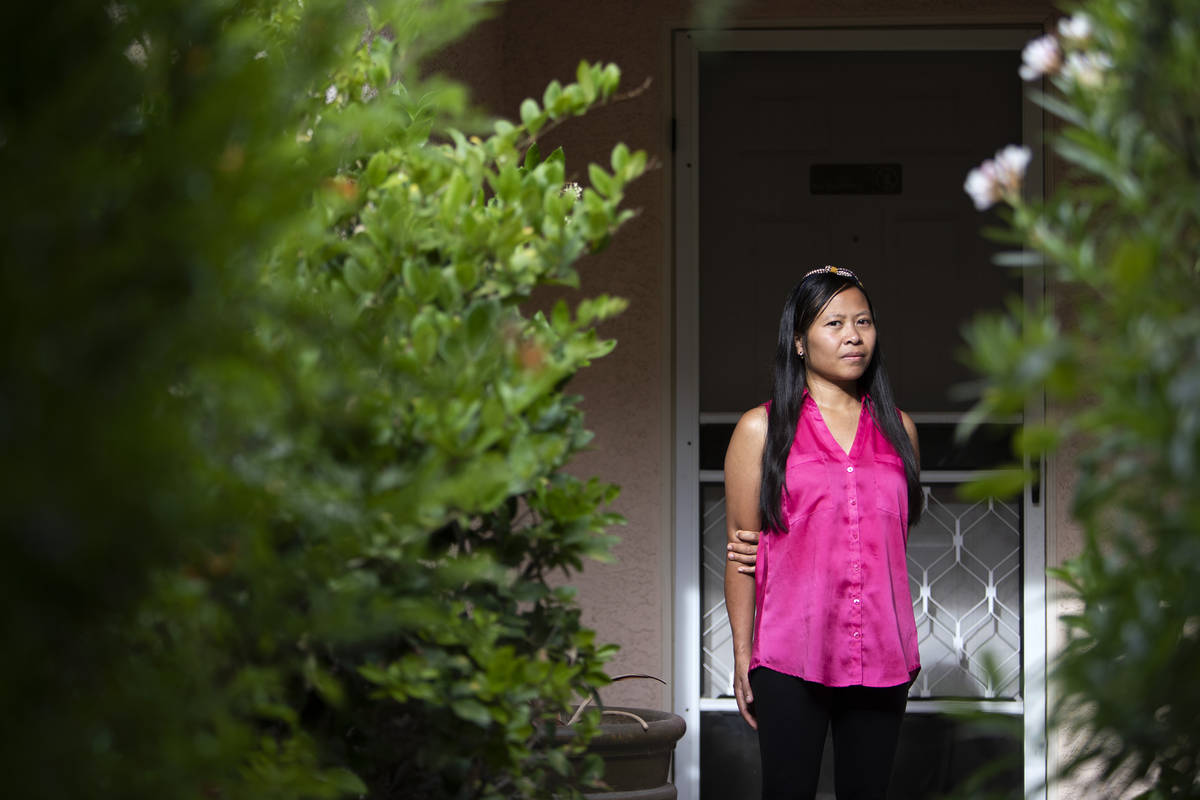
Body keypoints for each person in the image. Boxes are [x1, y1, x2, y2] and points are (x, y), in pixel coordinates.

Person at [722, 266, 923, 800]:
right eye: (834, 323)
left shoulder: (899, 429)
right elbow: (743, 553)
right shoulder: (759, 430)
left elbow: (891, 544)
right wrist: (743, 655)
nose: (853, 335)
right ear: (799, 341)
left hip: (883, 656)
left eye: (863, 321)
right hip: (791, 658)